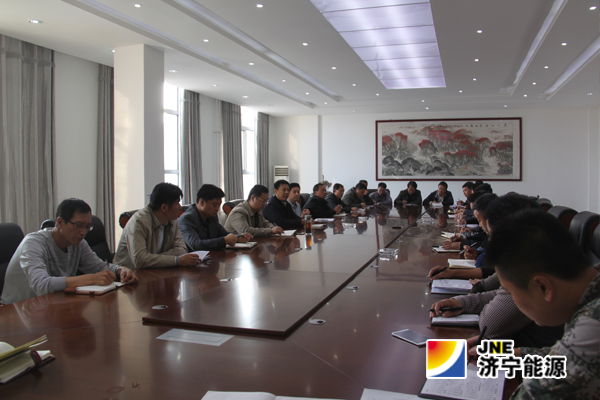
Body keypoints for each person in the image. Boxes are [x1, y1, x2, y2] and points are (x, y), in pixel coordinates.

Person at [475, 209, 599, 398]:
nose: (512, 299)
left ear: (543, 287)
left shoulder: (593, 324)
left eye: (510, 293)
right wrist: (500, 353)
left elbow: (536, 393)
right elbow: (558, 359)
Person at [1, 198, 138, 304]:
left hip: (51, 305)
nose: (83, 232)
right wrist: (91, 278)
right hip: (16, 312)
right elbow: (41, 285)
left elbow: (99, 267)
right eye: (78, 225)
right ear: (60, 222)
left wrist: (120, 270)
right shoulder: (33, 243)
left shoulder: (78, 243)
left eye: (87, 227)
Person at [114, 183, 201, 269]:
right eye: (177, 203)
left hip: (156, 271)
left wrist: (153, 259)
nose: (180, 207)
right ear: (164, 207)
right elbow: (140, 260)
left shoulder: (172, 220)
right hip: (129, 274)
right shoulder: (138, 222)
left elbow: (182, 250)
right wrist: (176, 260)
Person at [178, 184, 253, 251]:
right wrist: (225, 240)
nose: (217, 209)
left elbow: (224, 234)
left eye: (219, 205)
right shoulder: (187, 219)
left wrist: (238, 237)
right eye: (214, 205)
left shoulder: (211, 216)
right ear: (202, 202)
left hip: (212, 257)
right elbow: (196, 245)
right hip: (193, 260)